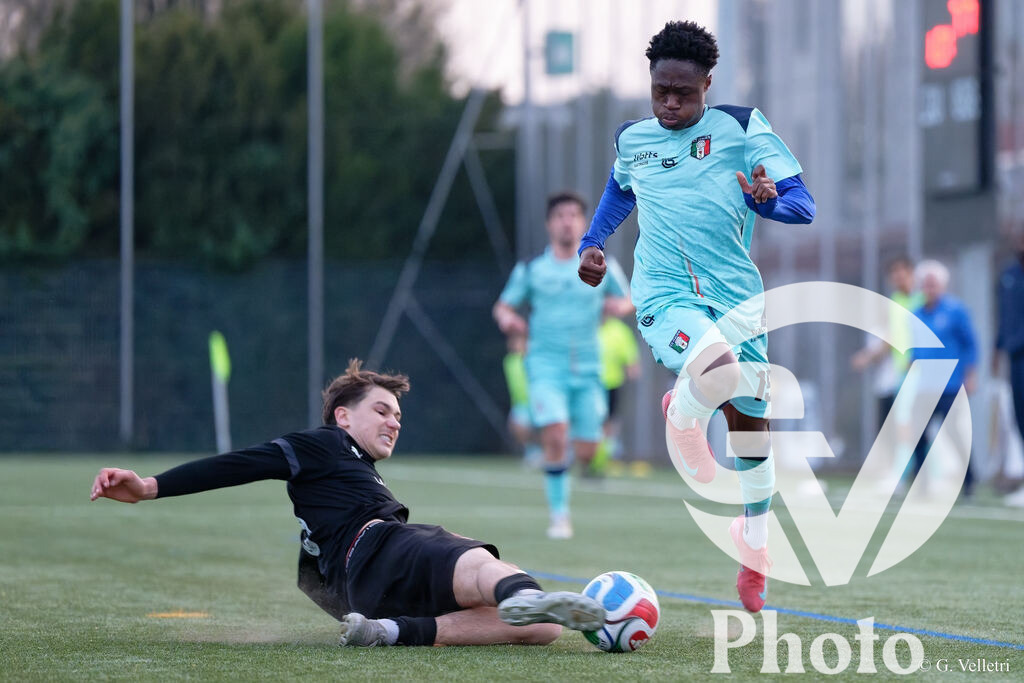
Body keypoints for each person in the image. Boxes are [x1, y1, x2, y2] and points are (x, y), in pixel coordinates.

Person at [90, 359, 605, 647]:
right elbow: (242, 462)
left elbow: (312, 576)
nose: (394, 421)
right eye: (381, 410)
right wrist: (150, 487)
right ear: (341, 417)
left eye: (399, 416)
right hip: (381, 547)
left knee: (542, 631)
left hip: (369, 593)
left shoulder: (350, 470)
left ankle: (391, 632)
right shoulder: (326, 444)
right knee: (463, 554)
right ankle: (522, 589)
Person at [577, 21, 814, 612]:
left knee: (751, 422)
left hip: (736, 297)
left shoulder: (741, 126)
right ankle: (684, 412)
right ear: (651, 83)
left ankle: (753, 541)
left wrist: (770, 202)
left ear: (708, 83)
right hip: (664, 293)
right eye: (661, 91)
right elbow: (620, 191)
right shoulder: (633, 138)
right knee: (717, 370)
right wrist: (593, 242)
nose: (671, 103)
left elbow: (803, 206)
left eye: (684, 91)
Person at [494, 192, 632, 539]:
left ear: (584, 223)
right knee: (555, 431)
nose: (567, 221)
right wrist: (510, 320)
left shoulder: (602, 264)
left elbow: (627, 299)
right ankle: (560, 516)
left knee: (587, 451)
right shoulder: (531, 269)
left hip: (589, 368)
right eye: (560, 215)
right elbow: (504, 307)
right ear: (549, 223)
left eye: (573, 215)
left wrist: (618, 308)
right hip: (545, 365)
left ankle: (566, 448)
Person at [851, 256, 923, 488]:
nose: (898, 277)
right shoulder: (894, 302)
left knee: (913, 424)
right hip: (903, 371)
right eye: (894, 273)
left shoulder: (922, 301)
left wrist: (868, 356)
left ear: (911, 273)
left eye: (902, 272)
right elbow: (890, 337)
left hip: (922, 370)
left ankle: (913, 475)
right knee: (901, 423)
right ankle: (902, 474)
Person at [908, 260, 978, 497]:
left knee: (953, 434)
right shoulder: (916, 314)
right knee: (918, 433)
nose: (930, 288)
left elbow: (970, 344)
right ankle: (921, 483)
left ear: (943, 285)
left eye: (934, 284)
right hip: (924, 385)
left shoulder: (955, 311)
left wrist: (971, 375)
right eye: (926, 284)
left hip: (949, 385)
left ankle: (969, 480)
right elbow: (916, 347)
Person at [591, 313, 641, 475]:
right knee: (590, 423)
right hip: (589, 384)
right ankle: (586, 457)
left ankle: (603, 459)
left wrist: (632, 369)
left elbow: (631, 361)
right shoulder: (586, 326)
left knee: (608, 425)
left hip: (612, 384)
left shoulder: (620, 330)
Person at [993, 232, 1024, 474]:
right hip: (1015, 357)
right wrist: (998, 349)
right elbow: (1003, 317)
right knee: (1019, 413)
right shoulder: (1008, 275)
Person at [502, 332, 542, 468]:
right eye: (513, 341)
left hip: (537, 401)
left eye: (519, 341)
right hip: (521, 403)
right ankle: (533, 452)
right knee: (517, 427)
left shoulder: (534, 360)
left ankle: (552, 452)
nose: (515, 344)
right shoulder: (509, 361)